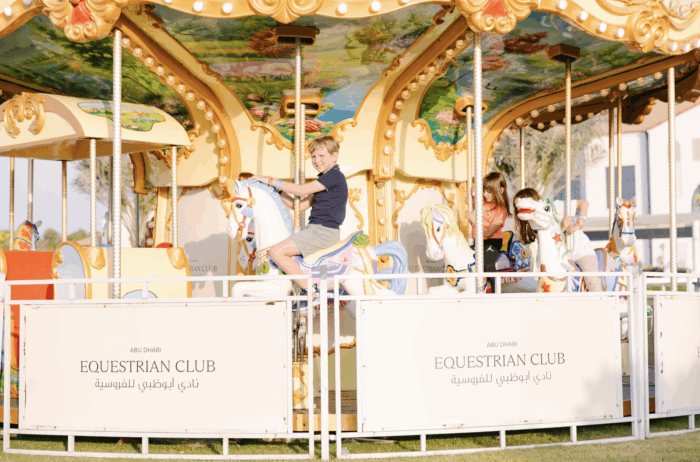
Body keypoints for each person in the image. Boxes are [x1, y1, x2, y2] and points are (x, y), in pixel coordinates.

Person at [250, 135, 348, 290]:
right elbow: (299, 207)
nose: (316, 161)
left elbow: (300, 190)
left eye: (321, 156)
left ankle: (310, 291)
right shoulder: (323, 180)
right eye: (313, 157)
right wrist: (278, 192)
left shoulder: (334, 176)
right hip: (316, 230)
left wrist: (272, 181)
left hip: (323, 232)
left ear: (334, 156)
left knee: (276, 252)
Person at [513, 188, 600, 291]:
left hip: (580, 250)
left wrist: (578, 224)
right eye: (517, 206)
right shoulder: (530, 225)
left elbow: (583, 203)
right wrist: (562, 228)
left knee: (591, 281)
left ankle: (600, 299)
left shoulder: (553, 206)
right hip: (558, 259)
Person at [465, 172, 511, 273]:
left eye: (489, 192)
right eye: (484, 191)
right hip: (477, 240)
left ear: (501, 190)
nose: (485, 194)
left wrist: (474, 220)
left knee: (487, 263)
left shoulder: (500, 210)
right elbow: (468, 200)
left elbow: (488, 232)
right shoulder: (482, 203)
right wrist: (470, 196)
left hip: (492, 242)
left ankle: (494, 283)